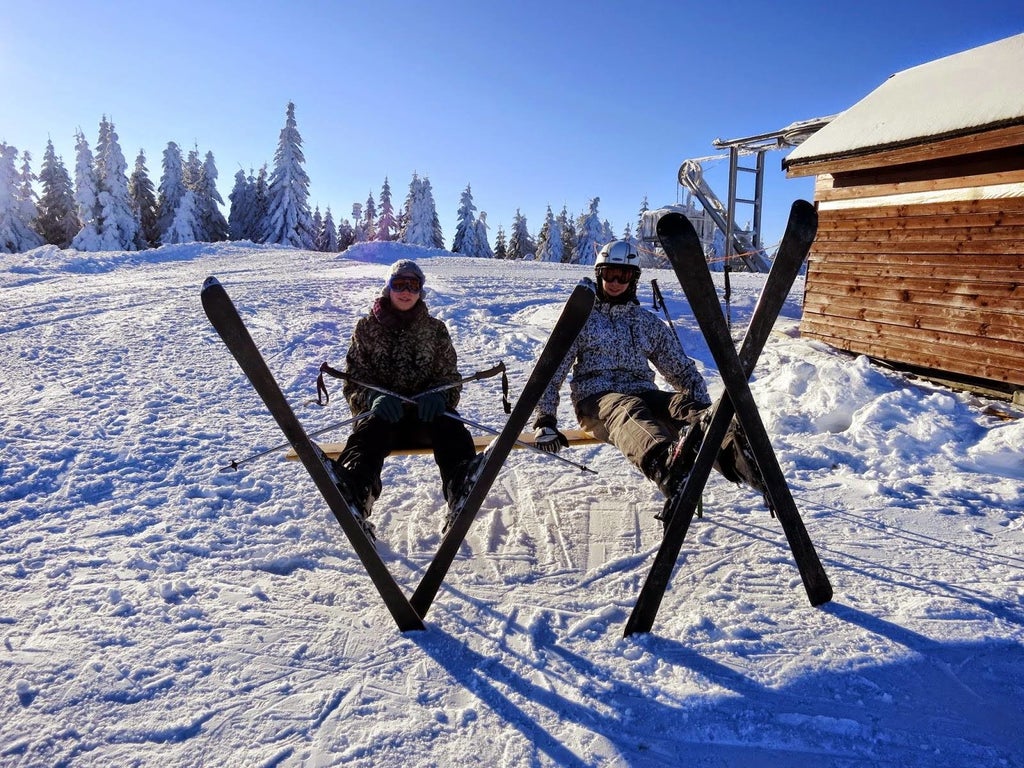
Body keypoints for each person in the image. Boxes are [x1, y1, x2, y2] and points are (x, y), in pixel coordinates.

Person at [530, 239, 764, 508]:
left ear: (634, 279)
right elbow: (552, 371)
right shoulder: (583, 318)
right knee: (628, 408)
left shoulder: (645, 322)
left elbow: (680, 368)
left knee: (679, 404)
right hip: (597, 400)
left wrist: (699, 412)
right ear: (599, 274)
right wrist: (545, 419)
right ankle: (664, 465)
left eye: (624, 276)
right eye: (610, 274)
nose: (616, 282)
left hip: (644, 392)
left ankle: (736, 455)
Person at [330, 259, 480, 536]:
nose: (406, 291)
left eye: (413, 285)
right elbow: (354, 382)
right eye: (399, 284)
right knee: (368, 432)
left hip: (425, 419)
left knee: (450, 425)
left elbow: (449, 377)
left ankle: (461, 487)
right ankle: (356, 493)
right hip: (384, 418)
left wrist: (440, 397)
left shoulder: (435, 330)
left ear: (421, 290)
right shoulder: (365, 328)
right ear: (388, 287)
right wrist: (372, 398)